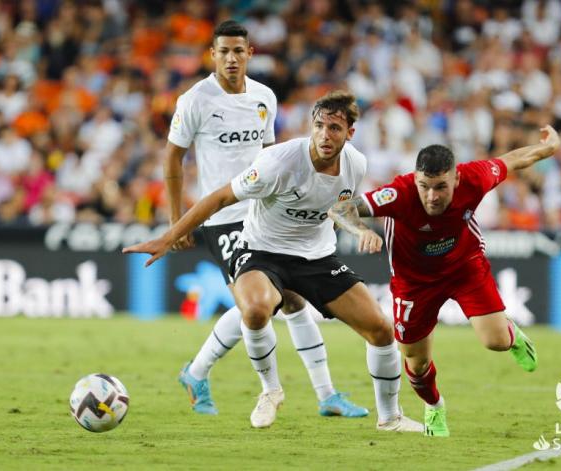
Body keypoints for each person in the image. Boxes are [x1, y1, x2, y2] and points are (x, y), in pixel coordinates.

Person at [124, 91, 423, 432]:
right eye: (320, 126)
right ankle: (270, 391)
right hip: (262, 250)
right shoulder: (279, 162)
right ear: (311, 126)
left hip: (316, 256)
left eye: (335, 128)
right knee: (254, 310)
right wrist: (168, 236)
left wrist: (358, 230)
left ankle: (390, 418)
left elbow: (341, 208)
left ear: (350, 132)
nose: (326, 135)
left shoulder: (356, 164)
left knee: (382, 330)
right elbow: (220, 196)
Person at [164, 21, 366, 418]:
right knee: (262, 304)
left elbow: (273, 156)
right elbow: (173, 157)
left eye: (239, 51)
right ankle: (298, 392)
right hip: (225, 215)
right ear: (213, 54)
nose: (232, 58)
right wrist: (177, 222)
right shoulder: (194, 100)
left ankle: (324, 396)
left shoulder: (265, 98)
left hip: (268, 212)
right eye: (224, 51)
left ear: (250, 53)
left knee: (291, 299)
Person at [328, 126, 560, 437]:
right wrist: (362, 230)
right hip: (414, 282)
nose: (432, 196)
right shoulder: (400, 192)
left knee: (496, 342)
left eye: (440, 187)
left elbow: (513, 160)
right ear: (415, 179)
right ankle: (435, 406)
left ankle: (511, 334)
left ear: (456, 179)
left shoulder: (475, 176)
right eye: (424, 186)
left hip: (464, 267)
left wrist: (548, 148)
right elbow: (340, 209)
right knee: (417, 363)